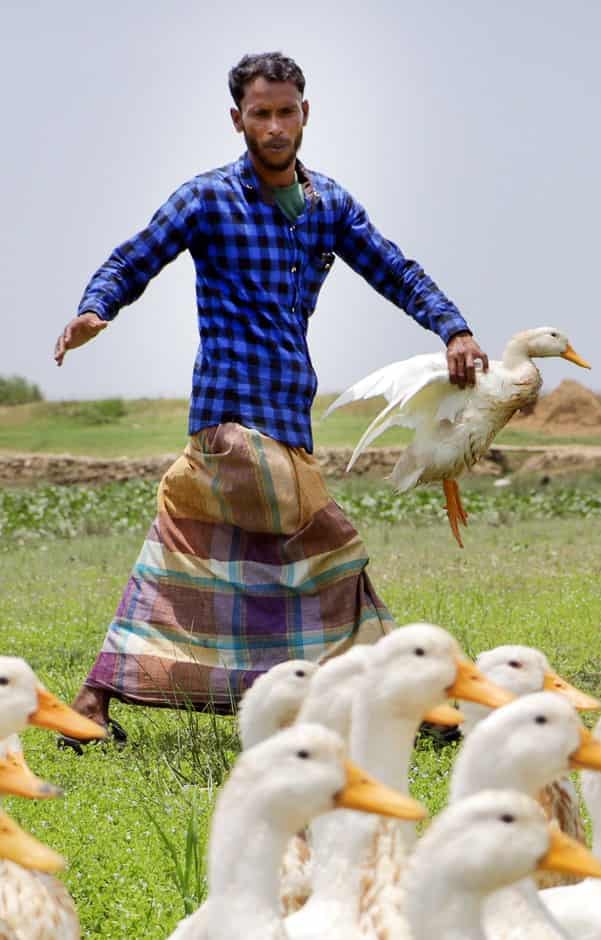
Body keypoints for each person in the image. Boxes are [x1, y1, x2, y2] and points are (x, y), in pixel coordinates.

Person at [53, 51, 487, 736]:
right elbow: (134, 257)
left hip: (289, 419)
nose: (276, 126)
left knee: (188, 555)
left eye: (287, 112)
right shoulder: (206, 199)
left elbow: (396, 271)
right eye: (262, 114)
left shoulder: (328, 206)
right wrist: (96, 308)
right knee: (333, 548)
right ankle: (407, 704)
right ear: (238, 120)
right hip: (230, 420)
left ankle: (92, 702)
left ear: (305, 113)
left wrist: (453, 328)